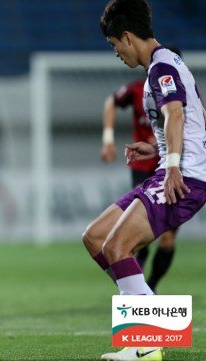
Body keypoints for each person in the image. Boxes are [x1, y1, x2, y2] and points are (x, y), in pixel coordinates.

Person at [84, 0, 206, 360]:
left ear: (126, 36)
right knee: (94, 237)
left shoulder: (161, 66)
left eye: (114, 46)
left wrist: (171, 166)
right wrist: (156, 149)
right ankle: (153, 320)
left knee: (116, 247)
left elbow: (175, 115)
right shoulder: (167, 63)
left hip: (184, 178)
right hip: (173, 169)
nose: (117, 54)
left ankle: (146, 343)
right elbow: (195, 117)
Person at [100, 45, 183, 293]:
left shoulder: (182, 96)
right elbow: (110, 102)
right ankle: (140, 286)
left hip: (172, 170)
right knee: (137, 232)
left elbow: (184, 128)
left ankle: (152, 287)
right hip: (143, 169)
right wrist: (107, 139)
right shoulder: (138, 90)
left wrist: (159, 146)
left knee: (167, 239)